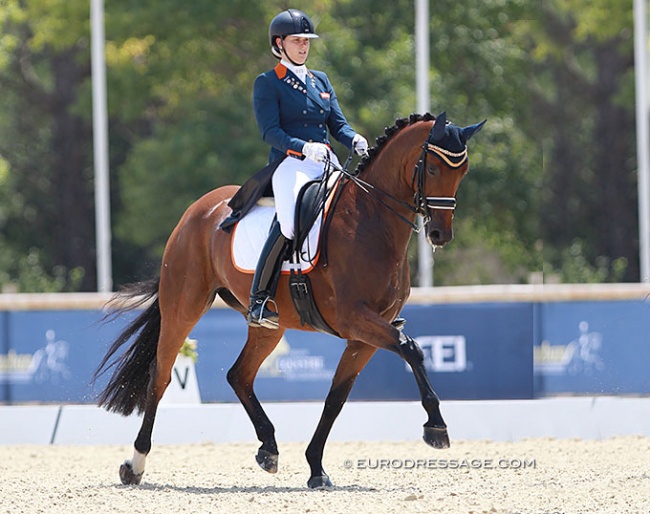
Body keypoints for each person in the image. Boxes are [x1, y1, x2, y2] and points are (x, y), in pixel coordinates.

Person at [246, 8, 368, 329]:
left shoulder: (321, 81)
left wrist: (353, 137)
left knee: (359, 209)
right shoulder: (268, 83)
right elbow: (269, 131)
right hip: (291, 165)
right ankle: (259, 300)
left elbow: (337, 124)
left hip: (326, 161)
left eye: (306, 41)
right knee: (288, 224)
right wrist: (302, 147)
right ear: (279, 44)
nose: (304, 46)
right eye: (297, 41)